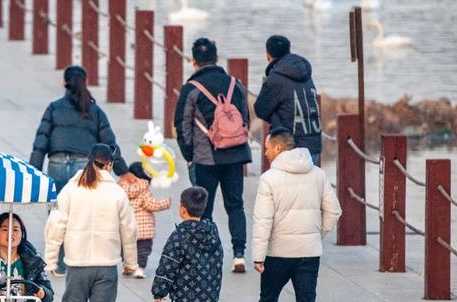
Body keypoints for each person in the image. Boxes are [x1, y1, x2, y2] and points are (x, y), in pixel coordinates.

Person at [242, 128, 341, 302]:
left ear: (278, 149)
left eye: (266, 147)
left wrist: (258, 256)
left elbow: (262, 220)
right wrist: (316, 234)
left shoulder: (269, 178)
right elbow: (334, 210)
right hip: (309, 253)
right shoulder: (317, 174)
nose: (264, 152)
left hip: (277, 253)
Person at [29, 65, 136, 276]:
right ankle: (80, 259)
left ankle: (57, 264)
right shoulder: (95, 111)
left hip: (57, 163)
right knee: (83, 212)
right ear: (85, 82)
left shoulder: (54, 107)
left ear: (64, 83)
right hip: (84, 166)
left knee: (58, 214)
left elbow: (40, 141)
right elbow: (109, 143)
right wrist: (123, 170)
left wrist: (32, 172)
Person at [44, 144, 138, 302]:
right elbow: (129, 229)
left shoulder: (71, 189)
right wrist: (131, 262)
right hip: (107, 264)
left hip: (77, 263)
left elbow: (56, 224)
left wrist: (51, 260)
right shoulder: (117, 192)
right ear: (109, 164)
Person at [174, 38, 252, 273]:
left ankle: (205, 256)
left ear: (193, 60)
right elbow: (245, 118)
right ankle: (239, 254)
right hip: (236, 155)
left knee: (202, 208)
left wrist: (189, 154)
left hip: (205, 158)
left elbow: (182, 125)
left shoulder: (191, 89)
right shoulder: (234, 84)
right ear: (217, 58)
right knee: (235, 204)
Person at [254, 35, 322, 166]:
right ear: (288, 50)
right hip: (313, 144)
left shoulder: (276, 78)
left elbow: (260, 109)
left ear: (268, 55)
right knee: (308, 185)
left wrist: (275, 116)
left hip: (289, 147)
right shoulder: (306, 74)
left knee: (288, 186)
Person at [117, 162, 171, 278]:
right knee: (142, 250)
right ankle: (139, 268)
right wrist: (166, 203)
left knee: (126, 248)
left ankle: (128, 265)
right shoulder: (144, 189)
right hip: (143, 229)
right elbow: (151, 205)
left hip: (126, 227)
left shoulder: (120, 189)